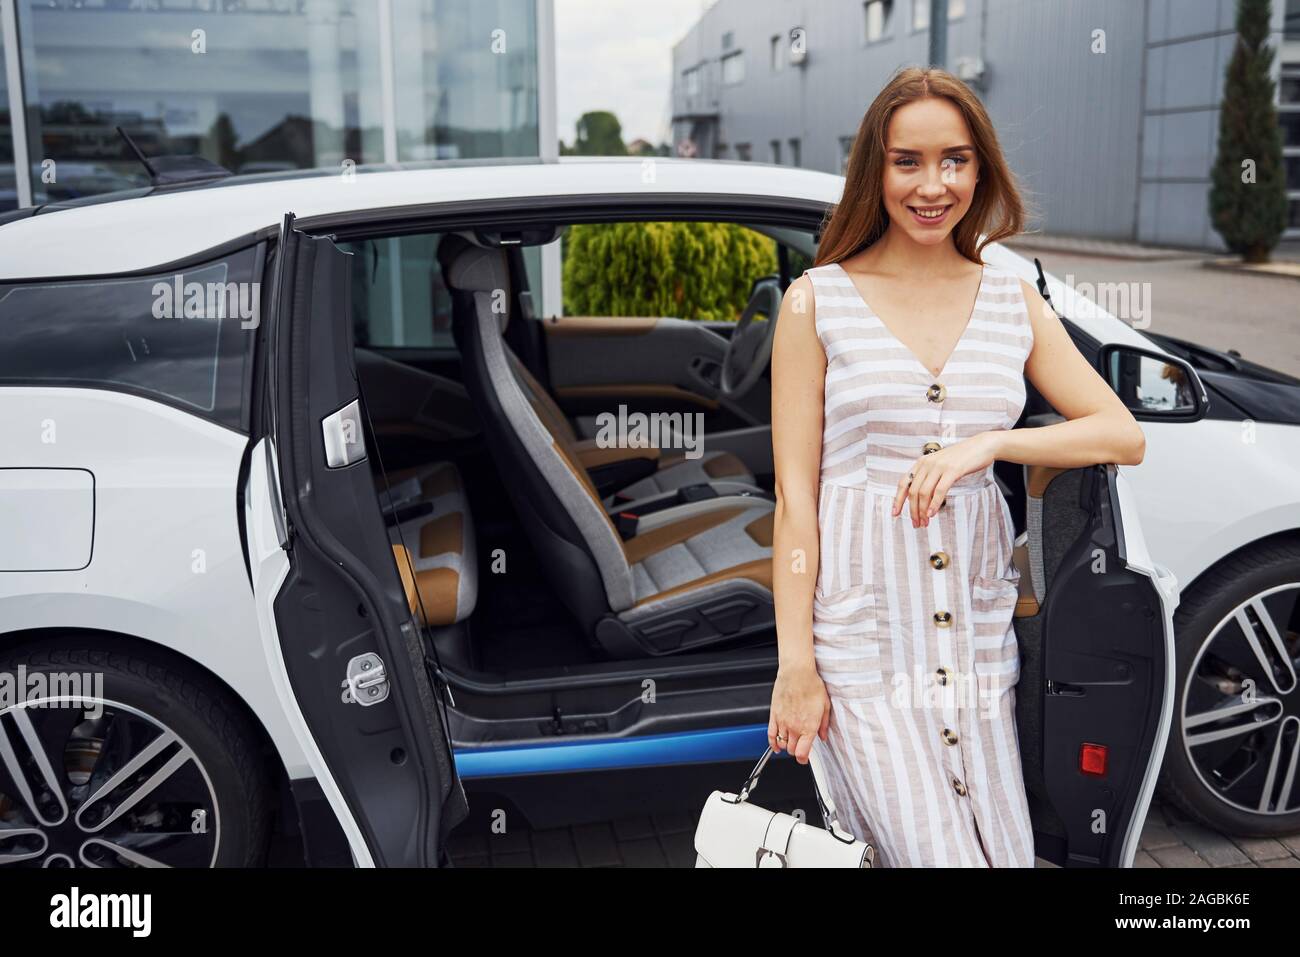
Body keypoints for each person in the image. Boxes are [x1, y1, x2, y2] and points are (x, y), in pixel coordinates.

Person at [768, 65, 1146, 867]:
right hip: (863, 641)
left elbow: (1120, 432)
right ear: (876, 168)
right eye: (907, 160)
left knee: (1001, 853)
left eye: (955, 159)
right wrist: (795, 664)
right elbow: (795, 502)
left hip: (973, 642)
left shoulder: (1013, 299)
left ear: (981, 169)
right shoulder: (816, 301)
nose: (932, 184)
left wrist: (992, 445)